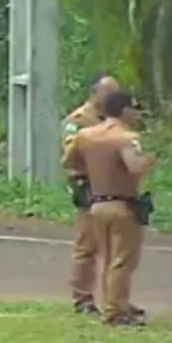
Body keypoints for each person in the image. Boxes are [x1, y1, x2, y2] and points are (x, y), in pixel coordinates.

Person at [64, 91, 156, 326]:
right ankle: (115, 311)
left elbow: (69, 161)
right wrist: (149, 160)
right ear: (124, 110)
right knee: (122, 260)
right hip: (122, 204)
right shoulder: (126, 138)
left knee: (104, 257)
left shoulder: (86, 135)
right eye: (134, 108)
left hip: (96, 203)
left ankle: (109, 303)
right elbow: (134, 167)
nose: (136, 114)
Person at [61, 73, 120, 315]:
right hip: (90, 186)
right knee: (88, 246)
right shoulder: (80, 120)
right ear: (95, 92)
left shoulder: (116, 119)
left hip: (115, 187)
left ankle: (115, 299)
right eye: (108, 93)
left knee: (116, 248)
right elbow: (70, 155)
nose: (112, 99)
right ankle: (82, 298)